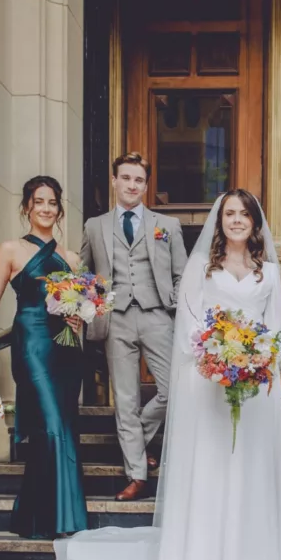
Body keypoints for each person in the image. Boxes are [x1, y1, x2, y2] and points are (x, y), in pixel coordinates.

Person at [47, 190, 281, 560]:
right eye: (230, 214)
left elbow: (279, 329)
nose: (236, 221)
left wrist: (261, 362)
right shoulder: (202, 268)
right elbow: (190, 328)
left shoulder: (271, 272)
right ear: (220, 222)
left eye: (244, 215)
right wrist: (218, 361)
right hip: (208, 384)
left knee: (250, 471)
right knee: (212, 471)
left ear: (256, 224)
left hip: (256, 389)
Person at [0, 176, 87, 539]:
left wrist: (78, 317)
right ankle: (56, 518)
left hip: (65, 349)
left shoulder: (71, 258)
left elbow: (77, 309)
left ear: (59, 209)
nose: (46, 209)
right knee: (49, 425)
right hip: (32, 343)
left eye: (52, 203)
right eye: (39, 202)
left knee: (63, 426)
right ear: (27, 208)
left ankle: (40, 517)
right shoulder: (11, 250)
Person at [80, 152, 187, 501]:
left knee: (175, 390)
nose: (132, 185)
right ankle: (136, 474)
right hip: (116, 319)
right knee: (125, 400)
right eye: (126, 178)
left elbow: (181, 274)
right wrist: (89, 306)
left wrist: (176, 306)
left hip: (158, 315)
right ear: (114, 181)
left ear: (145, 184)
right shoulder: (94, 226)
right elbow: (86, 276)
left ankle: (136, 442)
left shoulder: (166, 226)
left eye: (139, 180)